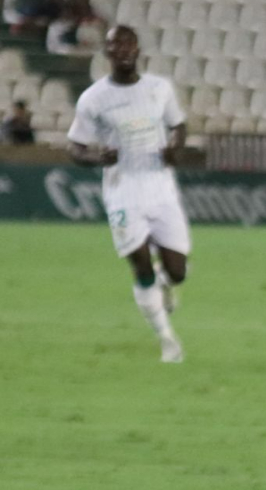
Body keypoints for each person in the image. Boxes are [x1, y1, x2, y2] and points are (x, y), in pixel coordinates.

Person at [66, 26, 190, 364]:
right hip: (123, 192)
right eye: (114, 44)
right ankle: (167, 340)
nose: (122, 49)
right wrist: (94, 157)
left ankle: (166, 282)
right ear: (106, 52)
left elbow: (178, 125)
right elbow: (75, 148)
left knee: (178, 270)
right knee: (139, 265)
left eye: (128, 43)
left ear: (137, 49)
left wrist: (175, 147)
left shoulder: (159, 89)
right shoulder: (93, 98)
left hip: (160, 186)